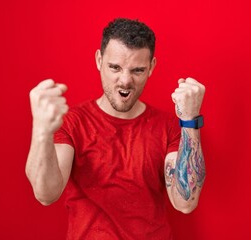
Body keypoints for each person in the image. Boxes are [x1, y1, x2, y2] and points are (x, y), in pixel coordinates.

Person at [26, 18, 206, 239]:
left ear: (151, 67)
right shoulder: (73, 122)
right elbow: (46, 194)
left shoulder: (168, 127)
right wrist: (41, 130)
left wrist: (189, 120)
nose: (125, 80)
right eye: (115, 67)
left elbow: (185, 203)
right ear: (99, 60)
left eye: (137, 70)